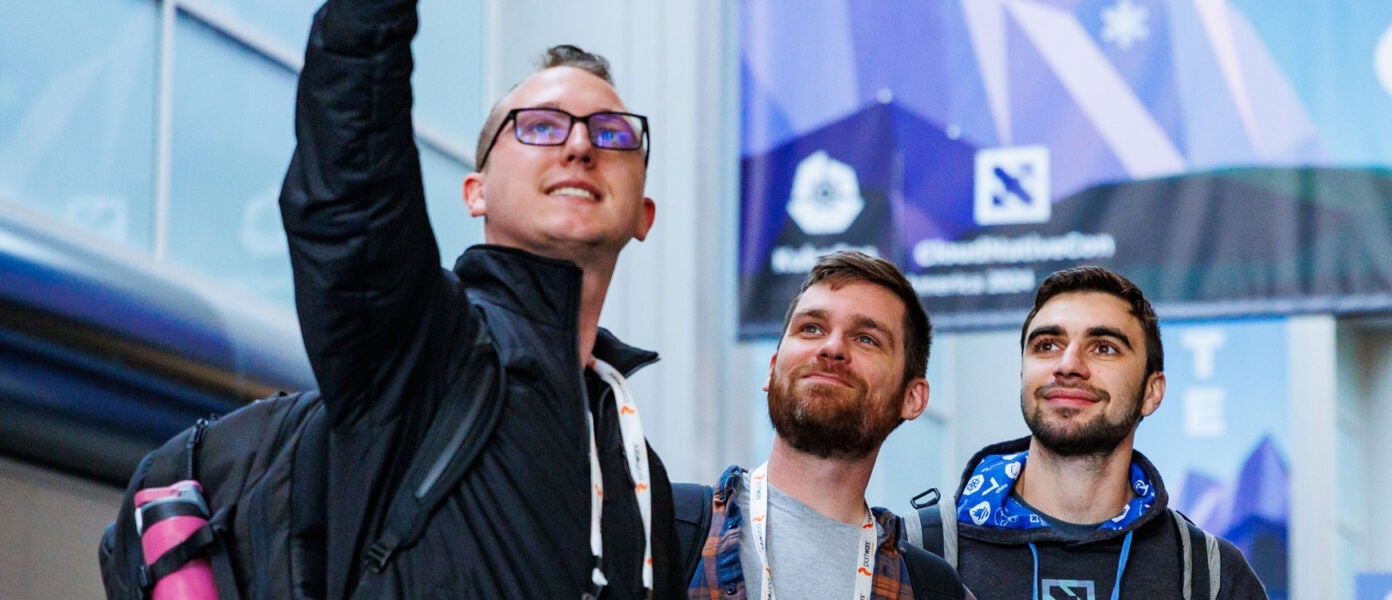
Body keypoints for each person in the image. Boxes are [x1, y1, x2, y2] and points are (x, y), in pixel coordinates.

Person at [279, 0, 680, 597]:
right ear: (477, 193)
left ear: (644, 215)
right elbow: (351, 183)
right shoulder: (420, 347)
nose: (579, 146)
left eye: (612, 133)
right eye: (541, 126)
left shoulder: (640, 470)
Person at [949, 266, 1267, 599]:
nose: (1068, 364)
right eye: (1046, 345)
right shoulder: (925, 553)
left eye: (1104, 347)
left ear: (1151, 392)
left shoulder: (1212, 575)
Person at [685, 251, 969, 599]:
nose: (832, 347)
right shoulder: (662, 525)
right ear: (772, 370)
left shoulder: (934, 590)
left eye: (866, 338)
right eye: (811, 328)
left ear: (911, 398)